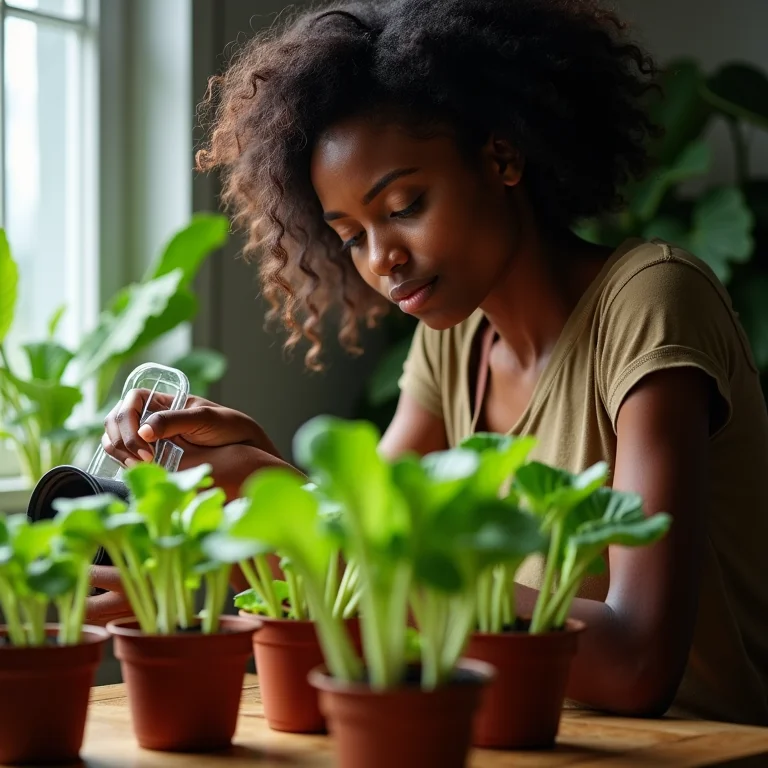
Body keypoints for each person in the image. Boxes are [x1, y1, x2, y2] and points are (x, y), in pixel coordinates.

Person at [92, 0, 768, 724]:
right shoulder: (452, 340)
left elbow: (636, 663)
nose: (382, 260)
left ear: (502, 157)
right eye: (350, 234)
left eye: (404, 205)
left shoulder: (651, 300)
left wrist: (305, 509)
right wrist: (257, 485)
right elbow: (366, 556)